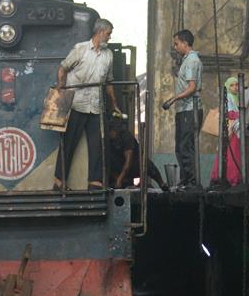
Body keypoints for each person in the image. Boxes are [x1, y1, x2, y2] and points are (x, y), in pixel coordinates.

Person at [53, 18, 123, 191]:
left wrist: (114, 104)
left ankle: (95, 182)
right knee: (68, 143)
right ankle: (59, 182)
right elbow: (63, 68)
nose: (109, 37)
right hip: (76, 103)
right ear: (100, 32)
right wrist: (61, 91)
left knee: (99, 144)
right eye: (108, 33)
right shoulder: (80, 49)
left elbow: (108, 81)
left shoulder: (108, 55)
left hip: (96, 106)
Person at [162, 30, 202, 188]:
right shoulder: (186, 60)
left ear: (185, 43)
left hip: (189, 109)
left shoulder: (192, 61)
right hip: (183, 110)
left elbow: (192, 88)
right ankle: (186, 180)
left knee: (186, 147)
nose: (175, 46)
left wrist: (173, 99)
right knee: (180, 147)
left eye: (177, 43)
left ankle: (192, 182)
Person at [106, 118, 166, 189]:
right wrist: (117, 180)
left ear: (113, 131)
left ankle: (161, 183)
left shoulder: (126, 137)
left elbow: (128, 162)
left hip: (134, 164)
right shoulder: (108, 141)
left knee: (146, 164)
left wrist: (119, 179)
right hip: (119, 166)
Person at [210, 77, 242, 186]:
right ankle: (230, 178)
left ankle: (233, 178)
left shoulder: (237, 98)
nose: (235, 87)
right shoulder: (228, 97)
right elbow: (229, 113)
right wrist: (240, 114)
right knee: (229, 155)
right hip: (230, 131)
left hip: (234, 130)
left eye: (236, 85)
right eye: (232, 85)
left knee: (232, 155)